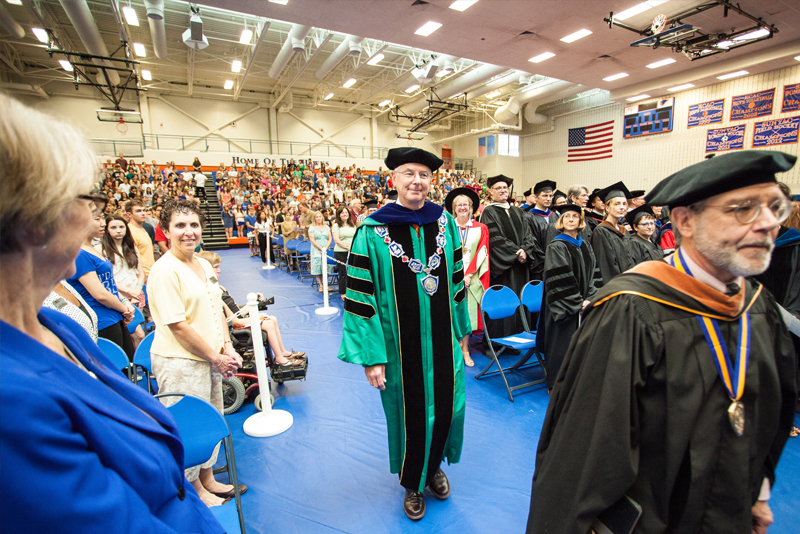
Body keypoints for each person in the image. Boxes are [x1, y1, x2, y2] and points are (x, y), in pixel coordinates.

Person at [526, 150, 798, 534]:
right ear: (685, 220)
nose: (769, 223)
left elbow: (769, 412)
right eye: (744, 209)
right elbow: (580, 459)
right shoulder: (631, 313)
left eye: (775, 206)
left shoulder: (758, 307)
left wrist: (758, 492)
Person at [0, 94, 223, 533]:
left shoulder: (59, 325)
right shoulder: (13, 404)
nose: (94, 221)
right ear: (35, 220)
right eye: (88, 202)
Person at [338, 147, 470, 521]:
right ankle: (413, 482)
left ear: (432, 181)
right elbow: (361, 298)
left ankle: (434, 469)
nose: (417, 181)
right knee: (410, 413)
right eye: (409, 173)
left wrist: (461, 334)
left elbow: (457, 283)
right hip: (399, 348)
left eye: (424, 175)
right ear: (393, 179)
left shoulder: (445, 223)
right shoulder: (372, 231)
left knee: (447, 406)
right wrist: (372, 356)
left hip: (443, 345)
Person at [147, 200, 244, 507]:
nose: (188, 232)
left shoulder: (202, 264)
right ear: (165, 231)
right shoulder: (164, 271)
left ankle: (209, 478)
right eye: (180, 226)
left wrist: (226, 346)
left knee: (210, 418)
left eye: (193, 225)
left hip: (210, 358)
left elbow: (216, 307)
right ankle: (194, 492)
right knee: (187, 426)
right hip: (181, 362)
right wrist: (216, 357)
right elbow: (178, 326)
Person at [197, 252, 305, 369]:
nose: (219, 271)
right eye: (216, 267)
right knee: (268, 323)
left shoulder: (220, 287)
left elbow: (236, 311)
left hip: (238, 319)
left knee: (272, 318)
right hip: (235, 327)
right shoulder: (214, 293)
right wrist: (257, 317)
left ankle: (282, 351)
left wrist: (252, 305)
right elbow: (235, 321)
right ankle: (279, 358)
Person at [538, 205, 601, 391]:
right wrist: (577, 301)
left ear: (581, 221)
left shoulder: (585, 245)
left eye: (575, 216)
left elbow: (594, 274)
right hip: (563, 306)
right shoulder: (556, 246)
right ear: (561, 221)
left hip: (583, 303)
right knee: (561, 345)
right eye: (567, 216)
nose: (571, 219)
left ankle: (578, 382)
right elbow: (560, 279)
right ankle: (557, 386)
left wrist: (591, 297)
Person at [67, 202, 137, 360]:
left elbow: (109, 286)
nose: (103, 223)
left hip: (114, 314)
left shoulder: (92, 248)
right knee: (115, 368)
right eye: (97, 219)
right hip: (101, 318)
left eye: (103, 219)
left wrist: (123, 302)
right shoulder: (79, 253)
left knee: (127, 363)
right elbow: (100, 294)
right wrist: (123, 309)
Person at [479, 174, 538, 346]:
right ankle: (498, 343)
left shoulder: (518, 211)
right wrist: (516, 252)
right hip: (505, 268)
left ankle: (520, 336)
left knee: (520, 299)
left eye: (505, 187)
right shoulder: (489, 211)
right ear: (491, 192)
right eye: (498, 188)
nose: (503, 190)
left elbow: (528, 235)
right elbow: (495, 239)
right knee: (504, 303)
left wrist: (525, 250)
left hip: (521, 266)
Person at [445, 187, 490, 368]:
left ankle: (465, 350)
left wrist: (468, 274)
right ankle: (454, 347)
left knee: (468, 313)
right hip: (451, 275)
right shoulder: (447, 228)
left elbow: (482, 252)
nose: (462, 208)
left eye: (466, 205)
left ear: (471, 208)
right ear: (454, 208)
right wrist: (456, 274)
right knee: (451, 311)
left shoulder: (481, 228)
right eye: (459, 205)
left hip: (472, 276)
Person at [101, 214, 147, 345]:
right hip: (117, 295)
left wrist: (137, 290)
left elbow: (140, 273)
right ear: (107, 230)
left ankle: (135, 364)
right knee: (135, 333)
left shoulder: (132, 247)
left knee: (136, 336)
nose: (118, 230)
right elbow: (107, 279)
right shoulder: (101, 249)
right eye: (114, 227)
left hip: (136, 294)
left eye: (121, 227)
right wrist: (128, 292)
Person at [590, 181, 635, 286]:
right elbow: (606, 265)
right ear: (607, 207)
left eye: (624, 204)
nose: (622, 207)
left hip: (629, 283)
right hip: (615, 286)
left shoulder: (624, 231)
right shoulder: (601, 232)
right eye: (617, 204)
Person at [524, 179, 558, 280]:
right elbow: (532, 242)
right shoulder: (528, 217)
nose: (548, 199)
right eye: (544, 195)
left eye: (550, 196)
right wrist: (546, 261)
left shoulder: (555, 216)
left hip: (557, 262)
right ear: (536, 197)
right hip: (539, 266)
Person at [124, 199, 156, 279]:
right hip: (142, 276)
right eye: (138, 211)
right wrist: (142, 277)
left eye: (144, 210)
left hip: (150, 273)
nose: (143, 213)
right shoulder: (130, 231)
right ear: (129, 214)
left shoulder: (142, 229)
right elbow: (132, 257)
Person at [332, 205, 356, 301]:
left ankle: (353, 290)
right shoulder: (336, 225)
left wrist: (353, 247)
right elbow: (336, 240)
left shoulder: (352, 225)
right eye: (342, 212)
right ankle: (344, 293)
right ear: (339, 215)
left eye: (346, 212)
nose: (345, 214)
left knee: (352, 272)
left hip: (352, 251)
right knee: (343, 273)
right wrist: (347, 247)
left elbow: (355, 237)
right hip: (341, 252)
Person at [309, 211, 332, 292]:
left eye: (319, 216)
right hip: (316, 249)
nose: (318, 218)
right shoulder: (312, 228)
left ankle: (326, 284)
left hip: (326, 249)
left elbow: (329, 239)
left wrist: (325, 247)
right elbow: (312, 240)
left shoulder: (326, 227)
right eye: (317, 217)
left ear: (322, 217)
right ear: (314, 218)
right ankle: (321, 285)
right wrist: (321, 248)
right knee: (318, 266)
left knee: (326, 266)